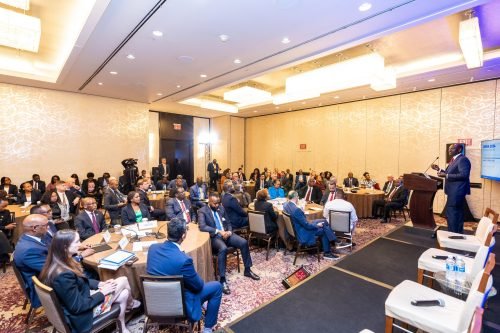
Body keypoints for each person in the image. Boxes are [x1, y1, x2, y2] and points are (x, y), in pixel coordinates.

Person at [39, 229, 139, 333]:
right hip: (82, 315)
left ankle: (122, 327)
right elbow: (77, 307)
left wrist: (100, 283)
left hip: (83, 297)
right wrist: (102, 292)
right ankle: (131, 304)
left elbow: (81, 281)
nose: (80, 244)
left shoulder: (60, 261)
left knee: (124, 293)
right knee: (123, 280)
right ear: (65, 247)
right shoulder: (63, 275)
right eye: (77, 242)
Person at [147, 218, 222, 333]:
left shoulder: (152, 249)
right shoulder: (184, 260)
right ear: (183, 235)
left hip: (156, 302)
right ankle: (207, 328)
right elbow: (198, 286)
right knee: (217, 287)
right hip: (181, 304)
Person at [13, 214, 95, 309]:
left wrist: (76, 247)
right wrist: (80, 256)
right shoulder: (28, 250)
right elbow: (54, 268)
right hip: (47, 284)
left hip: (52, 275)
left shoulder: (33, 238)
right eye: (46, 225)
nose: (48, 227)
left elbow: (54, 250)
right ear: (34, 228)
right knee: (92, 272)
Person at [198, 192, 260, 295]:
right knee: (223, 248)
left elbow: (229, 222)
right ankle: (222, 279)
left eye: (218, 203)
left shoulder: (221, 208)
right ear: (209, 201)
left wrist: (229, 231)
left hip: (227, 234)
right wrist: (218, 231)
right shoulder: (202, 211)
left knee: (244, 242)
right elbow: (202, 226)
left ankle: (248, 270)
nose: (217, 205)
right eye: (214, 203)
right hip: (215, 237)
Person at [283, 191, 339, 260]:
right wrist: (317, 225)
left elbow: (301, 220)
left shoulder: (286, 205)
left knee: (324, 221)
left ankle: (333, 240)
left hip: (298, 228)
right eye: (298, 197)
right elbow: (307, 225)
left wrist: (302, 212)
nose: (298, 198)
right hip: (303, 232)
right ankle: (328, 251)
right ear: (295, 197)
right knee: (324, 229)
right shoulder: (297, 210)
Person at [432, 143, 471, 233]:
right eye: (449, 149)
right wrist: (438, 169)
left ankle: (453, 235)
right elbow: (448, 172)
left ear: (459, 150)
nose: (449, 151)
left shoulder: (463, 160)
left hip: (457, 191)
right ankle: (457, 233)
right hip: (453, 191)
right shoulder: (454, 160)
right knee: (456, 214)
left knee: (453, 214)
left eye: (452, 149)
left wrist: (447, 175)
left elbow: (464, 175)